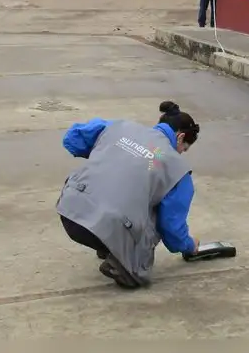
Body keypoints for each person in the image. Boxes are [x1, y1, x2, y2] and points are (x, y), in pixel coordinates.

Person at [57, 101, 202, 289]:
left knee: (127, 189)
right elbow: (171, 228)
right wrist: (189, 245)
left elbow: (73, 138)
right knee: (156, 209)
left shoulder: (118, 126)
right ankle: (127, 267)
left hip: (70, 209)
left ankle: (110, 247)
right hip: (106, 225)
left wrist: (111, 156)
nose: (181, 153)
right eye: (184, 148)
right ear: (180, 137)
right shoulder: (177, 170)